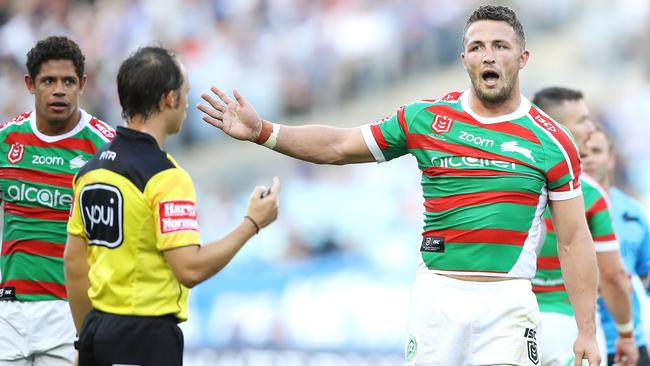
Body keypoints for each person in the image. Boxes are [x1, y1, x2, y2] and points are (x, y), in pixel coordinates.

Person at [197, 5, 601, 365]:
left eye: (500, 45)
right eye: (477, 47)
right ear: (464, 58)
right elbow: (339, 145)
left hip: (507, 301)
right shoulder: (425, 119)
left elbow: (573, 239)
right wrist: (264, 131)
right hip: (437, 298)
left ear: (522, 57)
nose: (488, 55)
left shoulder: (552, 141)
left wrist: (586, 330)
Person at [64, 46, 280, 365]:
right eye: (186, 93)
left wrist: (86, 340)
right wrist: (252, 223)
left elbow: (74, 263)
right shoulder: (165, 177)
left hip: (98, 331)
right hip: (145, 336)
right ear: (169, 99)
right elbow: (189, 268)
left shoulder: (90, 170)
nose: (188, 103)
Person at [0, 36, 114, 366]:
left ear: (83, 84)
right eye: (48, 81)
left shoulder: (104, 148)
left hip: (71, 311)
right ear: (30, 84)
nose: (59, 90)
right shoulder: (7, 141)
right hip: (10, 309)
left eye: (68, 81)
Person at [531, 87, 638, 366]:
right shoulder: (586, 191)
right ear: (555, 127)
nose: (591, 129)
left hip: (510, 324)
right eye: (582, 120)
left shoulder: (511, 180)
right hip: (568, 329)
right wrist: (626, 333)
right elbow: (613, 274)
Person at [584, 128, 650, 366]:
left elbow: (646, 273)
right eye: (583, 153)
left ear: (611, 159)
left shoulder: (633, 212)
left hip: (632, 343)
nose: (588, 158)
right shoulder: (561, 212)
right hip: (584, 344)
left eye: (597, 151)